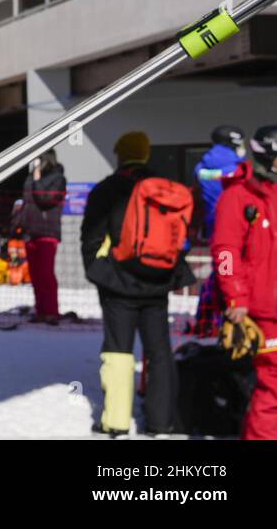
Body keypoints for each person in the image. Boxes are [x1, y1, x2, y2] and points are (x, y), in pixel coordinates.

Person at [81, 131, 194, 436]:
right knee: (159, 351)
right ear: (145, 155)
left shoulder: (108, 189)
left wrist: (97, 270)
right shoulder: (166, 187)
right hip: (158, 282)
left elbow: (90, 235)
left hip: (118, 283)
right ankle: (161, 421)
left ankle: (115, 421)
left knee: (119, 351)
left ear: (120, 154)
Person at [212, 125, 277, 440]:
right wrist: (235, 297)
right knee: (273, 385)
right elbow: (225, 253)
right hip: (264, 311)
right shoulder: (238, 197)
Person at [192, 125, 248, 335]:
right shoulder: (240, 167)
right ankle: (230, 319)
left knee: (221, 270)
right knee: (234, 273)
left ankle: (206, 318)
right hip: (238, 228)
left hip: (215, 227)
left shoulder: (201, 166)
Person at [10, 150, 67, 324]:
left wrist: (36, 180)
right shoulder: (31, 177)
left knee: (46, 274)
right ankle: (41, 310)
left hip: (46, 232)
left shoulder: (58, 179)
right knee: (35, 274)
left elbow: (46, 200)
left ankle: (51, 311)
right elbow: (27, 201)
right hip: (30, 231)